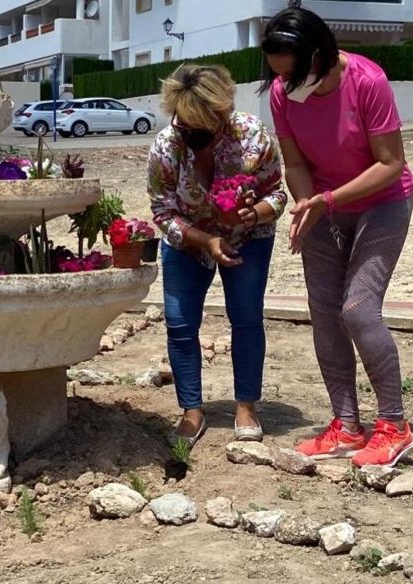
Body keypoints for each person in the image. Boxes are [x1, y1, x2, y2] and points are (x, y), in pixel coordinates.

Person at [261, 7, 413, 467]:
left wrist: (326, 201)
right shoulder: (281, 92)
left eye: (294, 73)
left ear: (320, 54)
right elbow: (295, 163)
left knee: (358, 308)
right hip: (324, 206)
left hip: (381, 203)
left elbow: (390, 163)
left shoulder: (367, 81)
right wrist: (306, 204)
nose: (288, 85)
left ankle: (394, 426)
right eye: (279, 75)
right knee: (325, 311)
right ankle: (346, 425)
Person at [148, 64, 287, 446]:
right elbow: (161, 209)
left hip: (248, 237)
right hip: (188, 241)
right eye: (184, 124)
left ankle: (246, 406)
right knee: (179, 323)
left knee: (245, 318)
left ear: (222, 114)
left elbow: (277, 193)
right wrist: (203, 240)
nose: (192, 134)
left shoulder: (252, 136)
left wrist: (253, 212)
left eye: (203, 127)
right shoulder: (167, 145)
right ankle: (191, 411)